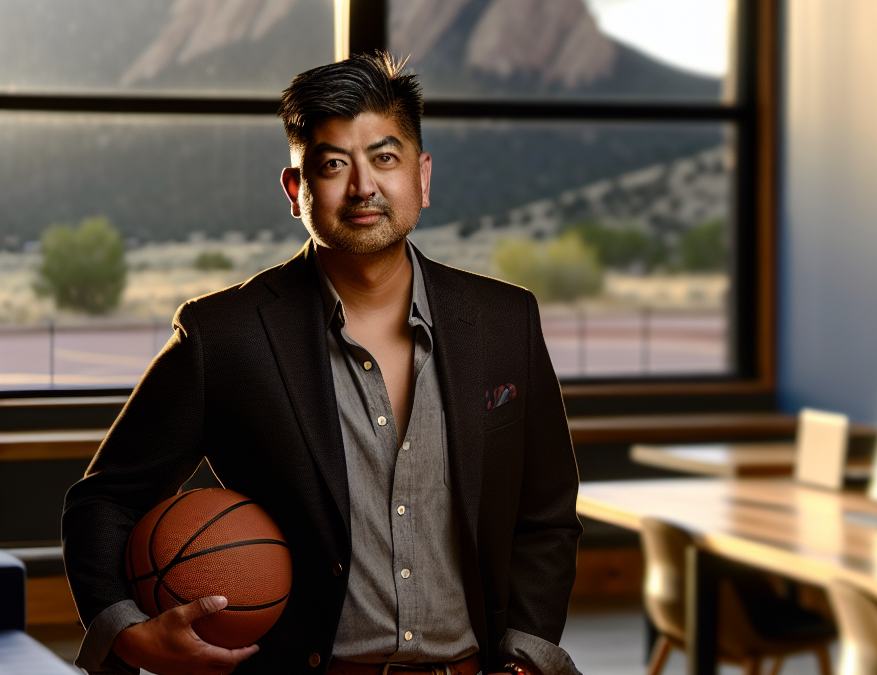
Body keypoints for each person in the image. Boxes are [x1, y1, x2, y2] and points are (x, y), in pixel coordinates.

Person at [62, 52, 582, 675]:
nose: (363, 186)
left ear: (422, 176)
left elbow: (547, 512)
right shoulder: (225, 335)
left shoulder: (505, 321)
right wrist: (128, 633)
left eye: (384, 159)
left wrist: (526, 658)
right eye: (334, 164)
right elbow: (103, 501)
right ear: (296, 189)